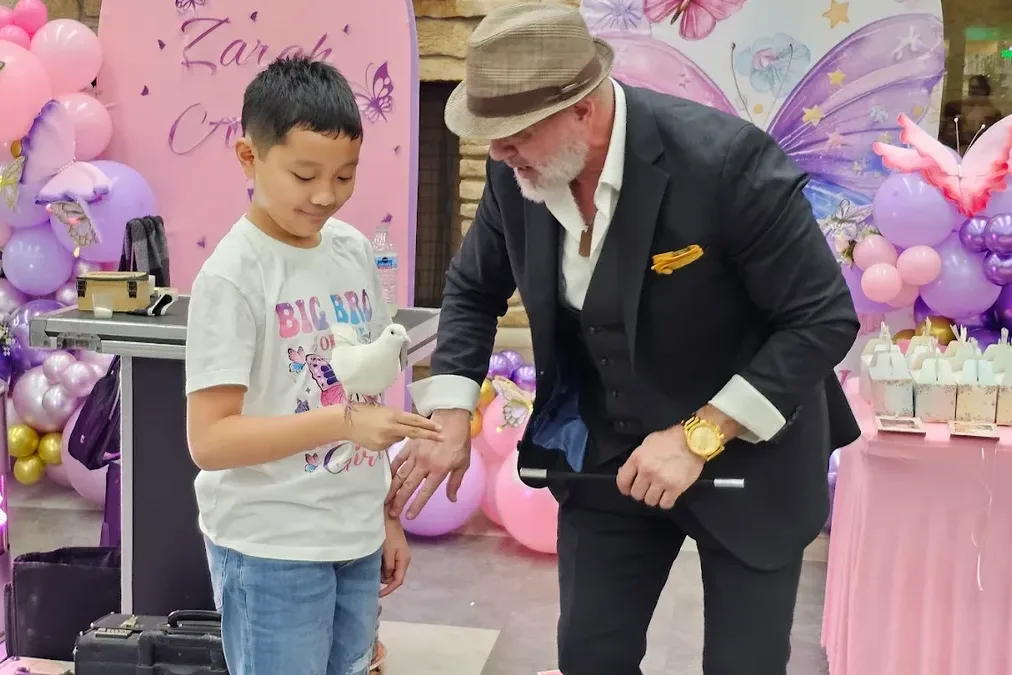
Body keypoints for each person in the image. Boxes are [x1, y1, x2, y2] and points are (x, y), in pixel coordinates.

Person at [387, 4, 862, 674]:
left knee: (743, 663)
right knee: (589, 655)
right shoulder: (513, 172)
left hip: (749, 461)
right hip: (606, 453)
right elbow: (472, 289)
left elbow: (823, 317)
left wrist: (700, 434)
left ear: (582, 108)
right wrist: (452, 410)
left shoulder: (726, 162)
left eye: (513, 132)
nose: (497, 151)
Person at [184, 56, 443, 675]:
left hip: (352, 535)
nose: (326, 195)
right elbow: (211, 440)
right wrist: (343, 425)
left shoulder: (351, 249)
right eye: (304, 175)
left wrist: (383, 517)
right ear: (249, 157)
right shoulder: (233, 275)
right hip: (272, 546)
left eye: (345, 176)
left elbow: (366, 382)